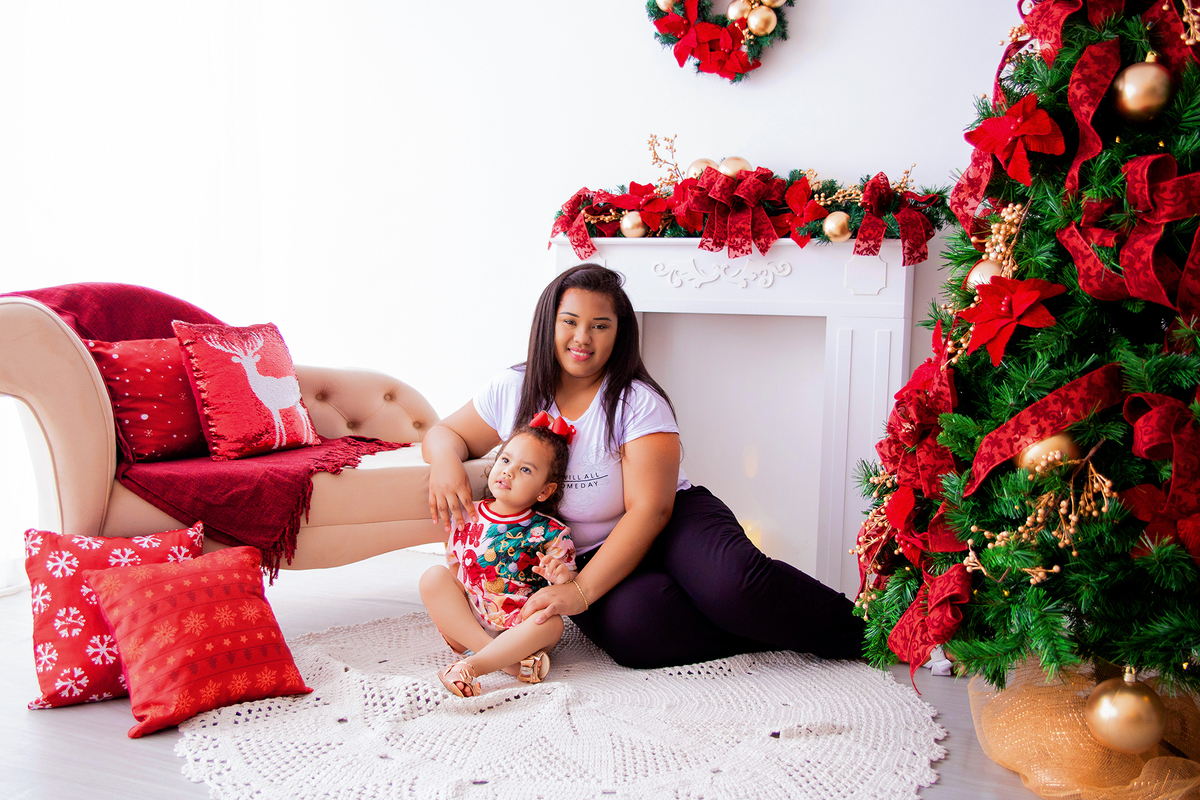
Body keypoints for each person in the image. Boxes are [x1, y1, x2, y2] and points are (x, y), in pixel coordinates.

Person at [423, 263, 865, 670]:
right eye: (570, 322)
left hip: (674, 521)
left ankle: (870, 632)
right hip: (588, 551)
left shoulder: (635, 400)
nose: (583, 338)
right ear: (548, 324)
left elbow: (651, 510)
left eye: (600, 326)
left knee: (734, 589)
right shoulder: (512, 387)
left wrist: (580, 593)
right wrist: (445, 460)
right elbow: (444, 433)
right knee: (639, 635)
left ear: (619, 335)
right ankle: (765, 631)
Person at [419, 418, 578, 697]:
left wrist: (562, 577)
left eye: (525, 469)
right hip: (472, 618)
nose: (509, 472)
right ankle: (509, 664)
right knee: (432, 577)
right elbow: (455, 567)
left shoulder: (551, 532)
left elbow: (568, 588)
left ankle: (472, 665)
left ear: (544, 491)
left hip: (519, 628)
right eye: (505, 460)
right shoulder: (468, 514)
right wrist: (453, 611)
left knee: (552, 624)